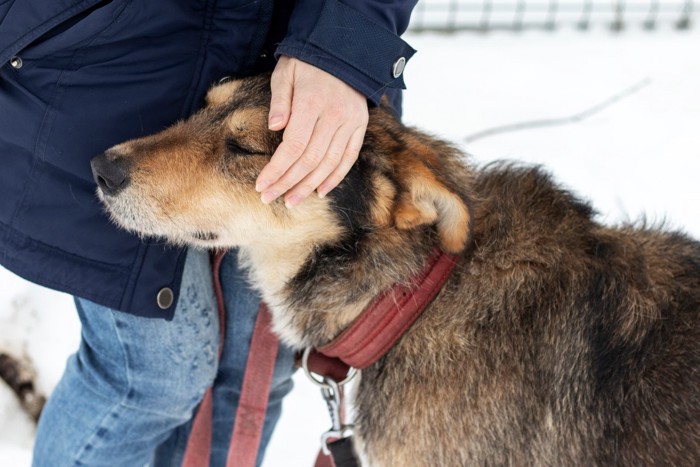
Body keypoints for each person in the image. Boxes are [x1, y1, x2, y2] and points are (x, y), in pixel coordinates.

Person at [0, 0, 416, 465]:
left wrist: (347, 43)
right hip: (107, 60)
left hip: (316, 75)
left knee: (251, 379)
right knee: (153, 373)